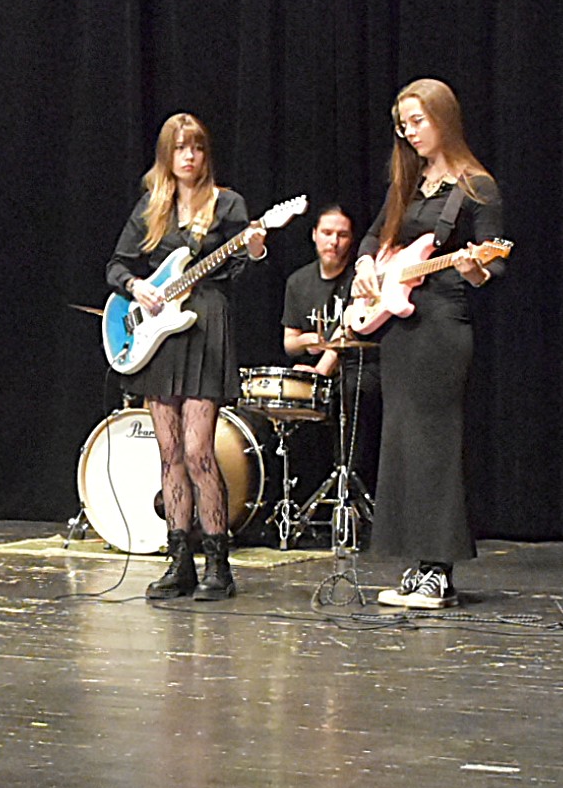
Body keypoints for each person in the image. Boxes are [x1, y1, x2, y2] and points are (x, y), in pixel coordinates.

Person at [106, 114, 270, 600]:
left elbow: (238, 269)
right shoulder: (151, 206)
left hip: (206, 327)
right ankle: (179, 562)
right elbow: (117, 265)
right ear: (167, 155)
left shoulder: (228, 203)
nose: (189, 157)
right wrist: (136, 286)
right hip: (160, 333)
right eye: (180, 148)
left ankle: (218, 563)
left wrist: (254, 250)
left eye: (196, 148)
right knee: (170, 453)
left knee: (199, 450)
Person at [357, 80, 503, 609]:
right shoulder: (410, 183)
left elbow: (494, 264)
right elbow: (375, 235)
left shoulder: (477, 187)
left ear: (443, 118)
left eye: (418, 121)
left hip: (443, 324)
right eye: (404, 125)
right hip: (401, 328)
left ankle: (440, 570)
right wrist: (366, 264)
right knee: (404, 444)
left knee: (437, 443)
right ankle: (419, 563)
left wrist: (474, 267)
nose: (410, 132)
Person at [280, 201, 381, 500]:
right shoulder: (298, 281)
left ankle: (348, 491)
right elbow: (289, 343)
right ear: (314, 234)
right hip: (314, 371)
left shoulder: (359, 281)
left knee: (350, 392)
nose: (333, 242)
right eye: (327, 233)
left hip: (356, 369)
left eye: (342, 235)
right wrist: (306, 341)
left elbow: (346, 333)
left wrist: (319, 372)